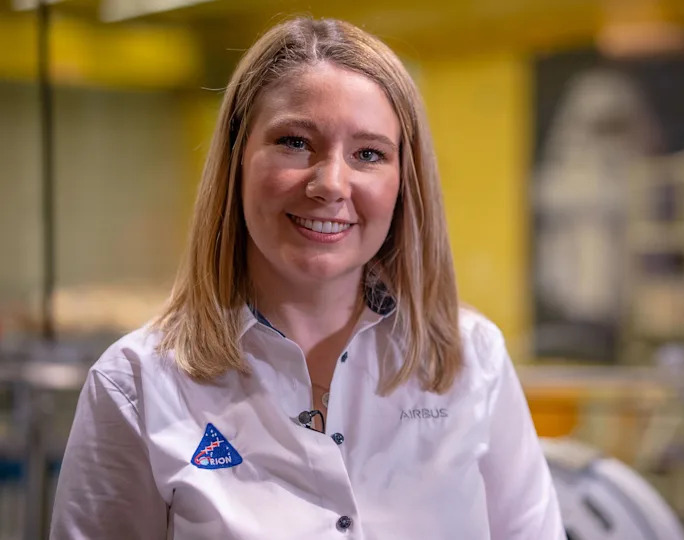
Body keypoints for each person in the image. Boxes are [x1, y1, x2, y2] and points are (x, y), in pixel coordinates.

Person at [50, 17, 563, 540]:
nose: (331, 184)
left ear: (403, 182)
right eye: (295, 142)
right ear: (236, 162)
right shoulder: (138, 383)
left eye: (368, 154)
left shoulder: (471, 360)